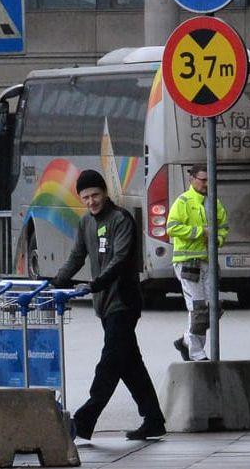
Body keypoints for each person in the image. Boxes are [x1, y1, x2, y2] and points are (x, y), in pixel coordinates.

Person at [56, 169, 166, 441]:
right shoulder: (86, 222)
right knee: (130, 364)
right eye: (85, 197)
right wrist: (56, 282)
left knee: (109, 364)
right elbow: (76, 256)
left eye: (95, 195)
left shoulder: (121, 219)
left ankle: (83, 421)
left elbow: (120, 260)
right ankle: (153, 419)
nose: (91, 201)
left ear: (105, 193)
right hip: (104, 305)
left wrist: (95, 284)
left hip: (124, 303)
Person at [164, 163, 228, 361]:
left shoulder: (214, 202)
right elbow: (171, 227)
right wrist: (201, 233)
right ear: (192, 179)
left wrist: (217, 239)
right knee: (199, 308)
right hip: (187, 262)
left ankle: (186, 341)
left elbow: (224, 227)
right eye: (203, 180)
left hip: (207, 262)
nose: (206, 184)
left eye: (209, 180)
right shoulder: (183, 201)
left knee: (212, 309)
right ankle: (196, 353)